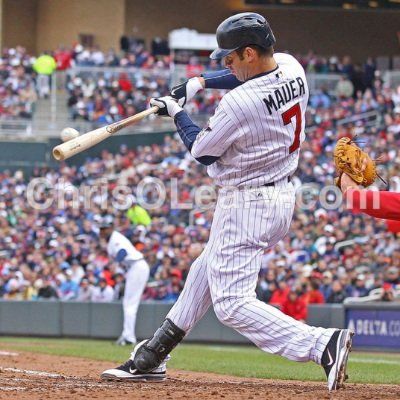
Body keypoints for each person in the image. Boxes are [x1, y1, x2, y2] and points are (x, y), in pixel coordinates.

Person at [102, 12, 353, 391]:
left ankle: (321, 344)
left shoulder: (240, 102)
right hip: (280, 194)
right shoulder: (292, 66)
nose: (226, 63)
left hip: (248, 202)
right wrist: (199, 83)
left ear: (249, 53)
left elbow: (202, 152)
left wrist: (177, 112)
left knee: (232, 304)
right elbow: (240, 78)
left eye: (230, 57)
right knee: (204, 269)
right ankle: (154, 354)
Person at [99, 215, 149, 346]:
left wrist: (116, 263)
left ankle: (128, 337)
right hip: (133, 268)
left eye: (106, 228)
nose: (103, 231)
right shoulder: (110, 241)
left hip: (137, 266)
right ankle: (127, 335)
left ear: (112, 228)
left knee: (129, 303)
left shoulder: (115, 238)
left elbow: (122, 252)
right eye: (102, 228)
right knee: (128, 303)